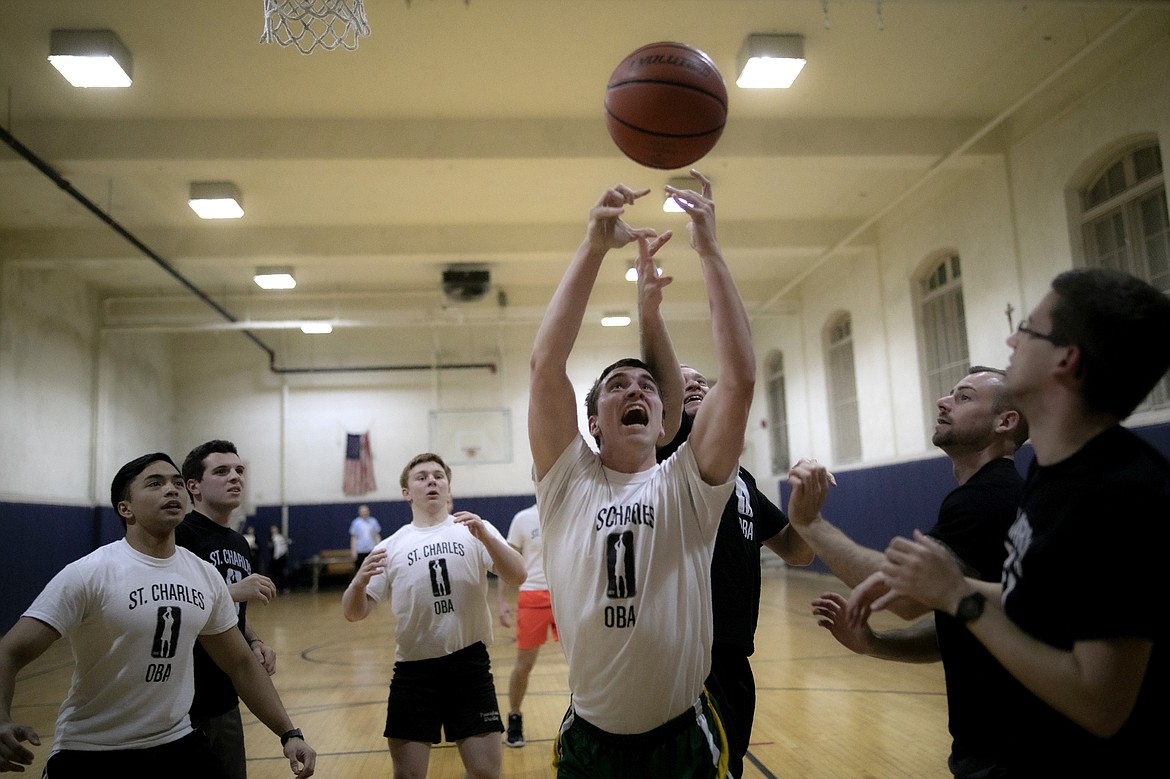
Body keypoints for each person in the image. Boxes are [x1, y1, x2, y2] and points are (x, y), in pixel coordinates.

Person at [864, 268, 1170, 775]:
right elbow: (1035, 601)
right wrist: (951, 586)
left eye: (1027, 328)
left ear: (1066, 360)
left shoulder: (1121, 495)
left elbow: (1101, 704)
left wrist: (958, 597)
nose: (1011, 337)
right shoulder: (1055, 476)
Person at [528, 170, 754, 777]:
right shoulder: (566, 482)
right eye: (617, 387)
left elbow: (739, 381)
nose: (635, 389)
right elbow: (547, 366)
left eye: (648, 387)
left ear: (665, 420)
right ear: (594, 422)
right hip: (589, 743)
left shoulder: (690, 484)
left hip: (681, 738)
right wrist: (593, 246)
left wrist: (709, 250)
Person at [0, 453, 315, 778]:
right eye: (156, 483)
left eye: (177, 483)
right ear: (126, 508)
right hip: (93, 749)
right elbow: (10, 651)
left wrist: (288, 733)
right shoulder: (89, 573)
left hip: (177, 741)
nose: (172, 490)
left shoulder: (204, 576)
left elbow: (240, 664)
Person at [792, 366, 1031, 776]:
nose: (943, 401)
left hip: (1008, 749)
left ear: (1004, 422)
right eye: (949, 393)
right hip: (993, 744)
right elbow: (956, 627)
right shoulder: (991, 495)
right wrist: (875, 643)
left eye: (964, 397)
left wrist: (811, 525)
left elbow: (905, 598)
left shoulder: (988, 499)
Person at [639, 234, 814, 777]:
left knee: (729, 769)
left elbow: (798, 553)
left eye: (702, 382)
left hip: (735, 658)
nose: (694, 386)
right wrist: (649, 308)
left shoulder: (740, 480)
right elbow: (680, 386)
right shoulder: (666, 456)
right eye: (683, 383)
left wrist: (808, 510)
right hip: (681, 659)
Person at [342, 453, 526, 779]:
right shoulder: (390, 546)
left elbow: (517, 575)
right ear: (406, 492)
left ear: (448, 488)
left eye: (438, 476)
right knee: (409, 775)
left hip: (469, 667)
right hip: (414, 672)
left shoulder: (473, 529)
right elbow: (355, 613)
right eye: (422, 476)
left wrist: (486, 537)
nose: (431, 481)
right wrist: (357, 583)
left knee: (486, 772)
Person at [176, 439, 278, 779]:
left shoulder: (238, 542)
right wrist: (231, 590)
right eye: (221, 471)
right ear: (194, 486)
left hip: (227, 695)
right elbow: (172, 607)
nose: (235, 477)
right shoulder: (179, 536)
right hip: (183, 702)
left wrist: (254, 642)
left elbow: (229, 619)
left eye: (239, 470)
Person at [496, 500, 557, 749]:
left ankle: (586, 718)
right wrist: (501, 600)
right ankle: (514, 717)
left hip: (568, 595)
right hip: (533, 595)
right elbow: (506, 562)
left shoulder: (573, 507)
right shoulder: (523, 519)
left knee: (582, 663)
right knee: (524, 665)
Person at [349, 504, 382, 573]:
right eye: (362, 511)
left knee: (373, 569)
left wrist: (379, 548)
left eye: (365, 511)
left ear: (368, 511)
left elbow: (376, 536)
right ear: (359, 513)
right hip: (360, 550)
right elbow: (354, 538)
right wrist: (353, 551)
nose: (364, 513)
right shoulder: (356, 523)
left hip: (371, 549)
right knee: (360, 570)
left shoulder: (373, 521)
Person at [268, 525, 289, 594]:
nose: (273, 530)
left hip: (280, 559)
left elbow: (283, 548)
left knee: (281, 574)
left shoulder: (280, 538)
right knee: (274, 575)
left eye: (274, 529)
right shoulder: (271, 538)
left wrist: (280, 556)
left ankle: (284, 588)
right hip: (274, 560)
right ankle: (276, 588)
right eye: (272, 529)